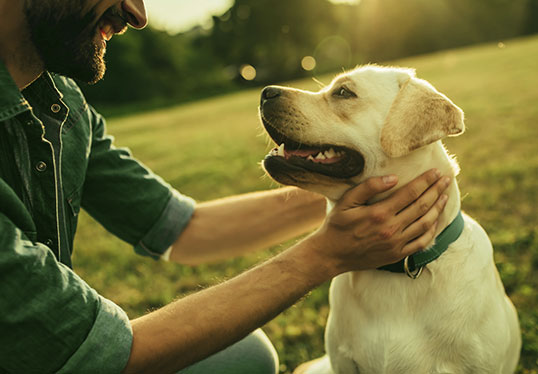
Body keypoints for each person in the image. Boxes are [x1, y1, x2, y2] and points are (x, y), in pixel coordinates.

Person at [0, 1, 451, 373]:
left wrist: (362, 189)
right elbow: (101, 356)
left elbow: (184, 228)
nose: (137, 13)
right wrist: (327, 253)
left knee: (244, 357)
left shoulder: (60, 104)